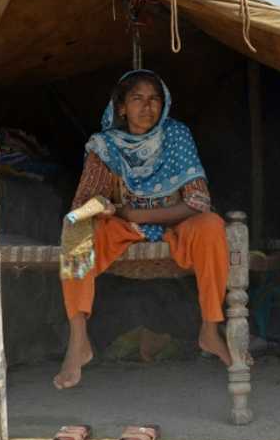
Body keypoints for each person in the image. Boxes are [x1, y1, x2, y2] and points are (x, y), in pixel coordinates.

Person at [54, 70, 232, 390]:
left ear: (163, 106)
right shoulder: (104, 145)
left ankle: (209, 328)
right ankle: (78, 341)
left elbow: (197, 201)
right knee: (76, 229)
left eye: (154, 99)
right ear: (121, 107)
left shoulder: (176, 135)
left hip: (175, 224)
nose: (146, 107)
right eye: (137, 98)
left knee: (212, 226)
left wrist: (136, 211)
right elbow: (85, 200)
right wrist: (102, 205)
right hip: (123, 226)